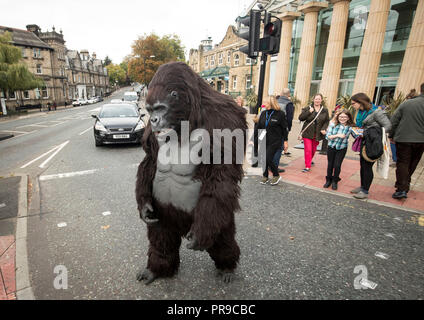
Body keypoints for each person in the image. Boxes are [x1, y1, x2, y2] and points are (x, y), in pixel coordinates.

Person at [350, 92, 391, 199]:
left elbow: (388, 126)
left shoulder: (377, 112)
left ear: (360, 102)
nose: (352, 106)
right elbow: (361, 125)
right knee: (363, 166)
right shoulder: (361, 112)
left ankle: (365, 190)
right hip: (364, 141)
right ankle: (362, 186)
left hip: (373, 143)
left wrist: (371, 133)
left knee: (367, 167)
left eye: (353, 103)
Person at [389, 83, 424, 199]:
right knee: (413, 162)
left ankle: (401, 189)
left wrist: (391, 135)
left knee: (403, 163)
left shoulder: (408, 103)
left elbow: (394, 120)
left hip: (404, 138)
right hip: (421, 141)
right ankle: (405, 183)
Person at [256, 96, 288, 185]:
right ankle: (265, 176)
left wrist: (285, 141)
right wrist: (254, 140)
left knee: (268, 158)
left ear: (270, 103)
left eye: (265, 102)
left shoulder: (280, 114)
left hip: (275, 140)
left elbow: (284, 129)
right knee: (263, 159)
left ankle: (276, 175)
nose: (263, 104)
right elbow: (258, 127)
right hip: (263, 139)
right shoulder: (263, 113)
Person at [298, 93, 330, 172]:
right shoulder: (308, 108)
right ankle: (307, 166)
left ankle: (309, 160)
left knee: (313, 150)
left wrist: (324, 128)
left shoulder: (324, 110)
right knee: (308, 150)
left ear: (321, 100)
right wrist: (309, 112)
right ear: (313, 100)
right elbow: (301, 118)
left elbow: (326, 121)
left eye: (319, 99)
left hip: (317, 133)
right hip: (308, 132)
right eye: (316, 99)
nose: (317, 100)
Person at [323, 109, 354, 190]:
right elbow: (327, 136)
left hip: (342, 148)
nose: (342, 118)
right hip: (331, 147)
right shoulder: (333, 124)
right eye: (340, 117)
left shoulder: (350, 127)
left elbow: (357, 135)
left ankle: (335, 181)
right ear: (338, 117)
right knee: (330, 164)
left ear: (348, 118)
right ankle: (328, 180)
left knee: (337, 165)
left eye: (344, 117)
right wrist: (337, 135)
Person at [272, 88, 294, 171]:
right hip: (281, 129)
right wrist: (288, 129)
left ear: (281, 93)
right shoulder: (289, 104)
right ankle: (274, 167)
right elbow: (289, 118)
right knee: (279, 148)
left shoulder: (275, 101)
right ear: (289, 95)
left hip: (272, 127)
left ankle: (269, 164)